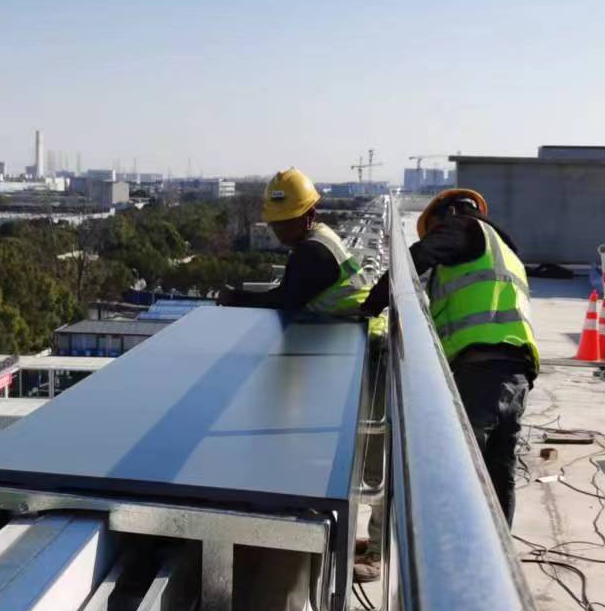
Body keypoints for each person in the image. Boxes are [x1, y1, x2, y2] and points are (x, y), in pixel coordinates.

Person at [361, 188, 540, 527]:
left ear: (450, 213)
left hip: (481, 369)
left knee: (459, 472)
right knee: (498, 471)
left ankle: (455, 546)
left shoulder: (464, 227)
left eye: (435, 229)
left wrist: (371, 305)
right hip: (516, 373)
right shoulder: (507, 251)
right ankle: (497, 553)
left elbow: (415, 259)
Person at [218, 168, 374, 316]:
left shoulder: (312, 251)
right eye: (275, 221)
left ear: (310, 215)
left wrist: (234, 297)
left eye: (288, 221)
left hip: (363, 328)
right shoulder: (322, 234)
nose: (280, 229)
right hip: (357, 323)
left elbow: (283, 302)